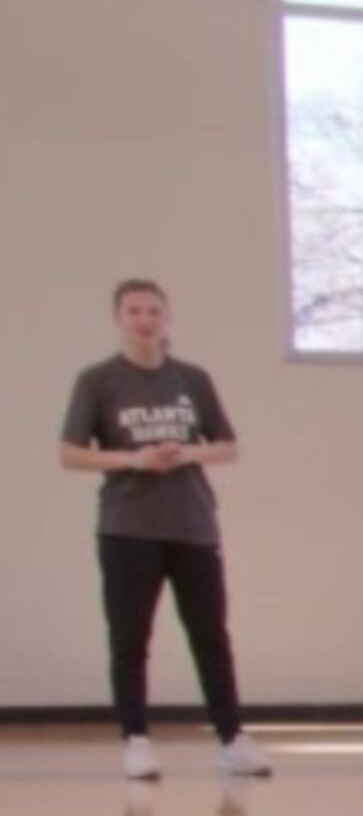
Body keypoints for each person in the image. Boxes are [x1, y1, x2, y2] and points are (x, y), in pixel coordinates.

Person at [58, 279, 266, 782]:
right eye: (134, 311)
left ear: (167, 318)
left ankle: (232, 738)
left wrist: (186, 452)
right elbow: (71, 453)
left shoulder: (192, 379)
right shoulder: (97, 381)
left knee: (211, 635)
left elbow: (227, 446)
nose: (145, 319)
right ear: (119, 319)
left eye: (154, 310)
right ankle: (136, 739)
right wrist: (135, 458)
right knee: (130, 637)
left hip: (192, 525)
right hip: (127, 527)